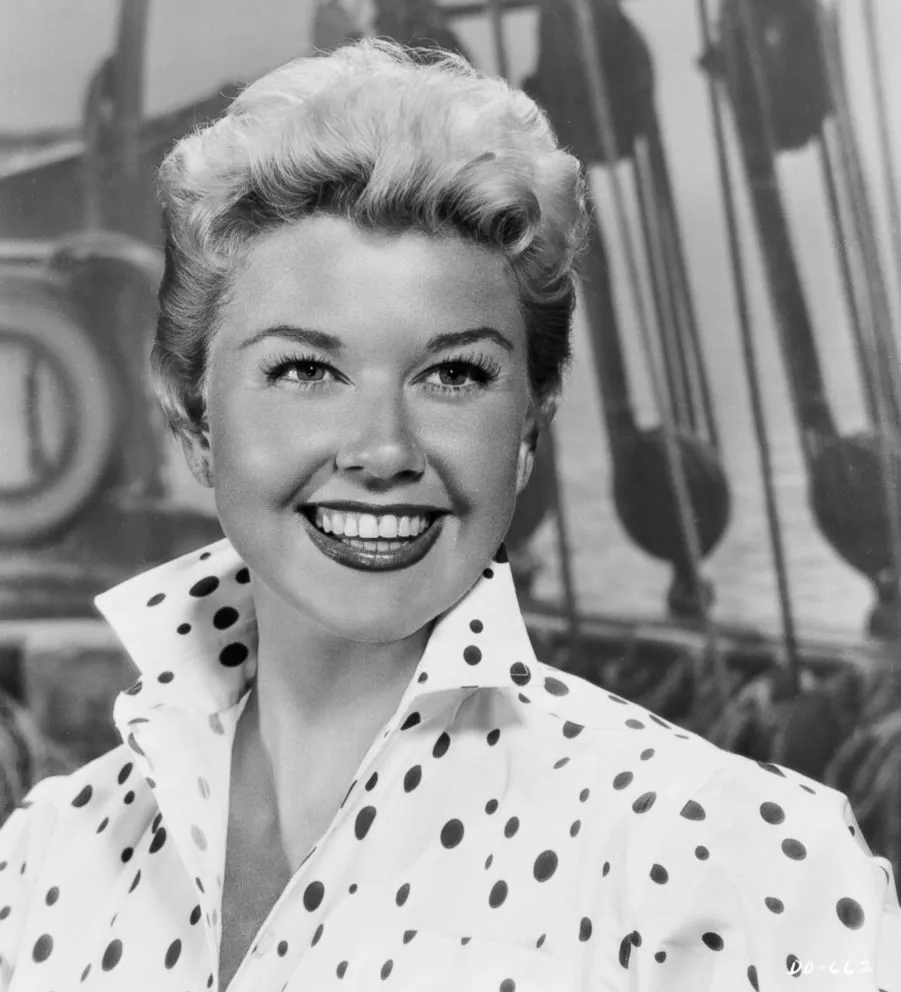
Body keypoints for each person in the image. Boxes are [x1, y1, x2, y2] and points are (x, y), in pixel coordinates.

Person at [0, 37, 898, 992]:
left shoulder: (740, 862)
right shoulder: (44, 861)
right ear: (192, 415)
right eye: (305, 370)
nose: (383, 450)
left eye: (453, 375)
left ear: (528, 427)